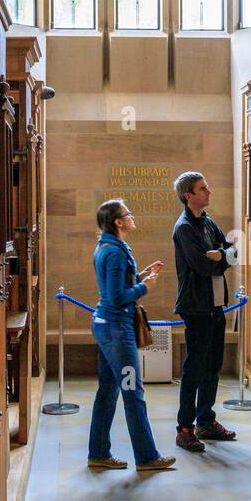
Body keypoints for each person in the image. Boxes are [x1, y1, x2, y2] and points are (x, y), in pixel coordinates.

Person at [87, 199, 176, 472]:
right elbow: (116, 297)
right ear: (117, 222)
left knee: (108, 390)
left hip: (106, 325)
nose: (132, 217)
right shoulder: (113, 252)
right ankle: (147, 457)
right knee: (132, 391)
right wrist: (144, 287)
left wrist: (140, 276)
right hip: (117, 329)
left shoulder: (109, 246)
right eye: (128, 214)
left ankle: (99, 453)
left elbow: (117, 285)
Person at [172, 172, 238, 452]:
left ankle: (206, 421)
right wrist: (221, 258)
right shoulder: (184, 227)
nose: (209, 191)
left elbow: (234, 251)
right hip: (196, 306)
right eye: (203, 188)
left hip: (216, 304)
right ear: (189, 195)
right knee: (194, 368)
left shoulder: (208, 222)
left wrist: (220, 255)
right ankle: (184, 428)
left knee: (213, 366)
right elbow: (201, 267)